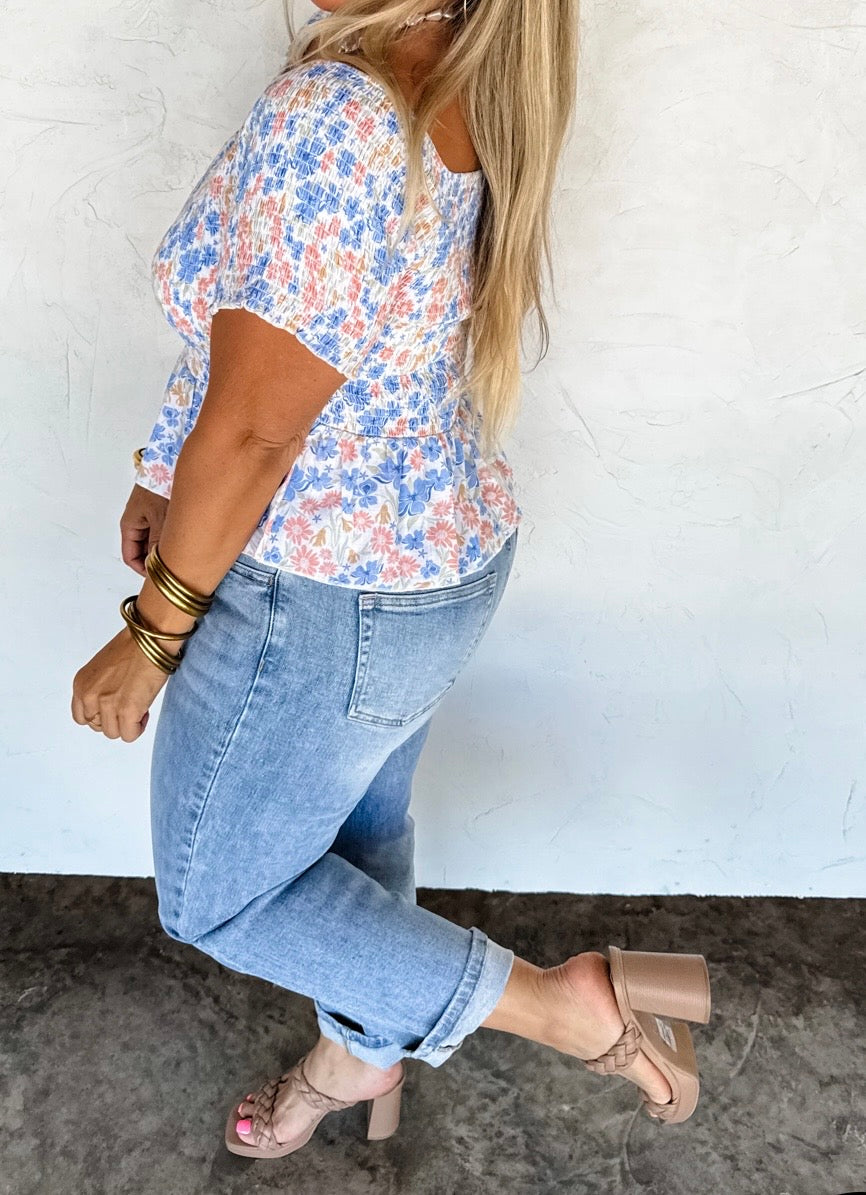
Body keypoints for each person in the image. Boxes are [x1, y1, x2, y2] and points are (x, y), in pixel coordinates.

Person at [71, 0, 711, 1160]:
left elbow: (260, 435)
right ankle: (361, 1056)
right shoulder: (452, 68)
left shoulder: (333, 116)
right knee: (353, 858)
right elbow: (284, 356)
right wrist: (167, 469)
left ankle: (567, 1005)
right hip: (425, 567)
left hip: (315, 593)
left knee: (223, 891)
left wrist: (152, 630)